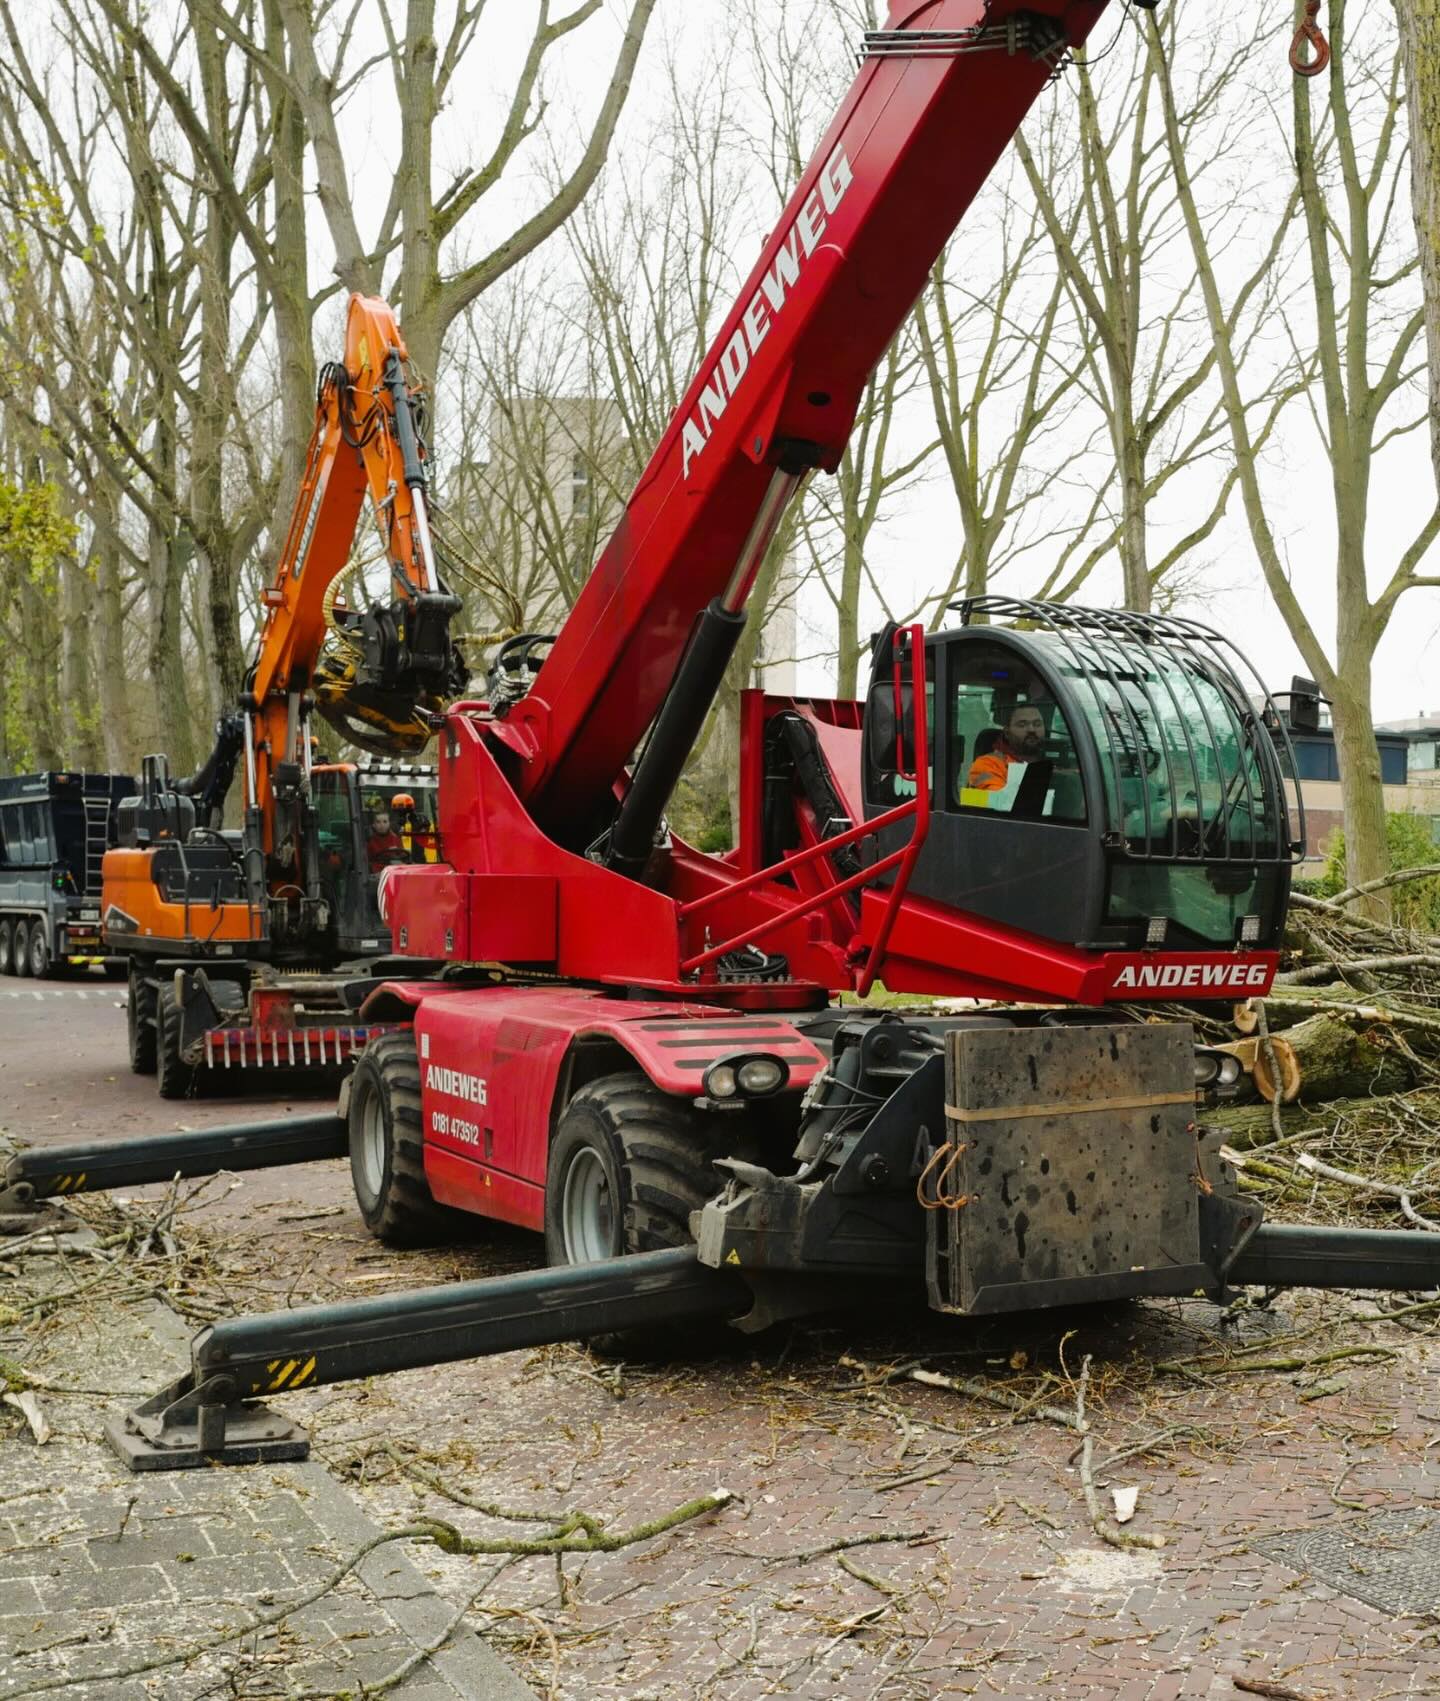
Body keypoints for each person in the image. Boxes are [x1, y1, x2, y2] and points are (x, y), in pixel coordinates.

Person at [967, 701, 1047, 792]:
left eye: (1037, 724)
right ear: (1007, 733)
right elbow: (1000, 803)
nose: (1032, 730)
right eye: (1022, 725)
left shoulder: (1056, 762)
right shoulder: (988, 765)